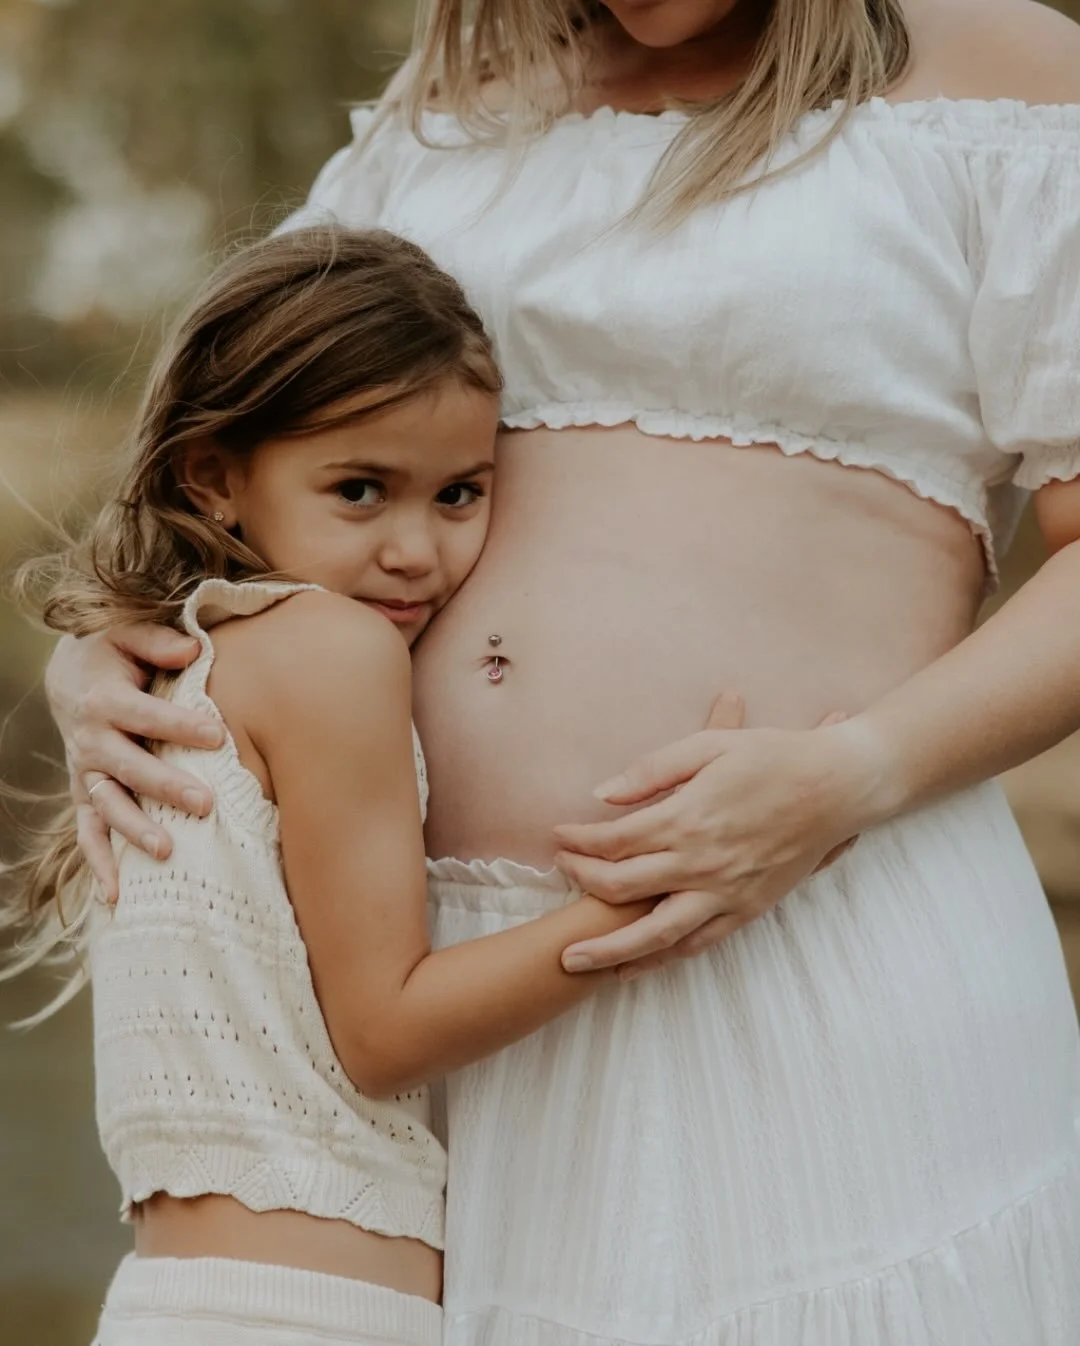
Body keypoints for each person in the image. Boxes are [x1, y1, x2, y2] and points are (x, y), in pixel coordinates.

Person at [43, 0, 1080, 1342]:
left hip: (812, 926)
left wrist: (852, 774)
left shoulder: (1015, 79)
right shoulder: (456, 93)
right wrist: (107, 648)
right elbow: (247, 429)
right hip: (442, 1004)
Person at [2, 225, 669, 1346]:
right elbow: (384, 1029)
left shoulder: (179, 672)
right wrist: (654, 899)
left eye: (459, 493)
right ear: (215, 477)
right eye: (361, 490)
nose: (416, 549)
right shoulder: (333, 652)